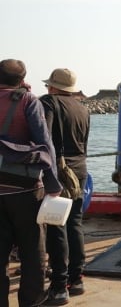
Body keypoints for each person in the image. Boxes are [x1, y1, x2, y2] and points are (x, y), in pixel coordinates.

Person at [0, 59, 62, 307]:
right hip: (25, 189)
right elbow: (45, 145)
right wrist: (53, 184)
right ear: (23, 78)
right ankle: (32, 302)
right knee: (33, 253)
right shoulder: (28, 101)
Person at [40, 68, 90, 305]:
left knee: (55, 226)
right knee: (75, 223)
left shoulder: (49, 103)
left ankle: (59, 286)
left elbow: (44, 136)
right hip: (80, 170)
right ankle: (77, 278)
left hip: (59, 172)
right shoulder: (82, 108)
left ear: (52, 87)